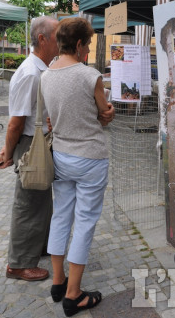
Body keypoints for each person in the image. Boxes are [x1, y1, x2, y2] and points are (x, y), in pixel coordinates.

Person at [40, 17, 114, 316]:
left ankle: (59, 281)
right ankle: (74, 295)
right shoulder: (89, 75)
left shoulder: (46, 75)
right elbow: (104, 111)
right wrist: (105, 114)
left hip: (61, 155)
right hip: (90, 157)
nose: (87, 50)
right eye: (88, 44)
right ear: (81, 44)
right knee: (84, 222)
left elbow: (53, 115)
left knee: (60, 216)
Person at [0, 16, 59, 282]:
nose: (61, 39)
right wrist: (7, 153)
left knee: (41, 201)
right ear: (42, 39)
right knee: (28, 203)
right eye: (58, 34)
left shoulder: (41, 69)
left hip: (39, 143)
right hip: (30, 145)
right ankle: (18, 264)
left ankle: (39, 246)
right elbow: (15, 123)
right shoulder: (31, 73)